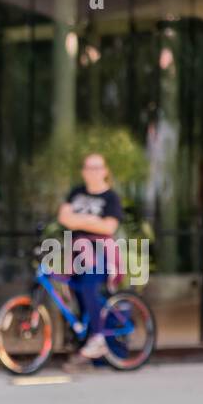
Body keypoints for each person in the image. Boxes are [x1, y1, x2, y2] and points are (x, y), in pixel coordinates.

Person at [58, 152, 123, 370]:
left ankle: (98, 338)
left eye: (97, 167)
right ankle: (89, 345)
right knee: (78, 296)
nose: (92, 172)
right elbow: (64, 218)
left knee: (88, 287)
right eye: (88, 167)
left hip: (100, 252)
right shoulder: (76, 192)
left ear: (105, 171)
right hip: (76, 252)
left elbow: (109, 227)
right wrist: (92, 220)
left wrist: (79, 221)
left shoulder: (111, 198)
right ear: (83, 171)